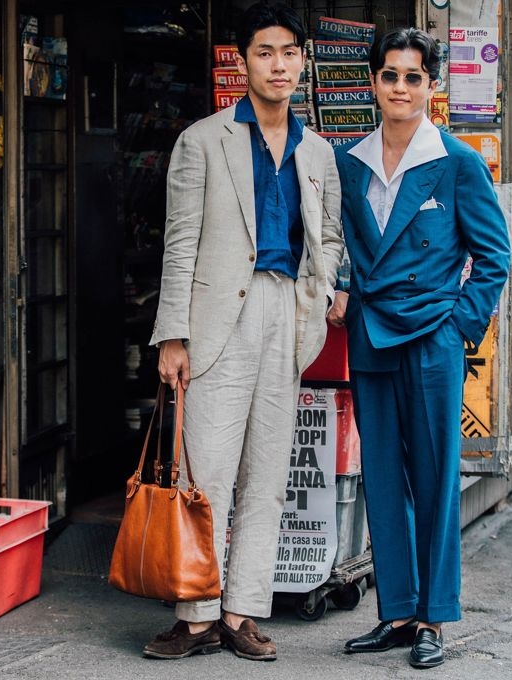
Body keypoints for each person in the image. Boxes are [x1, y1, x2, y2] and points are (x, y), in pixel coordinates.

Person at [145, 1, 343, 662]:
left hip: (286, 315)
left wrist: (324, 291)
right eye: (265, 52)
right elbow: (179, 244)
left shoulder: (319, 151)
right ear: (243, 60)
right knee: (205, 474)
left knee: (267, 477)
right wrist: (173, 334)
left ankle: (242, 612)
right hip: (215, 321)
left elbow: (331, 234)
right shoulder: (203, 141)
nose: (279, 64)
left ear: (303, 60)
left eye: (290, 52)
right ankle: (196, 615)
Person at [327, 27, 511, 669]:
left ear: (431, 85)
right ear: (373, 82)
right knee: (382, 479)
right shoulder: (348, 160)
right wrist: (340, 290)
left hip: (433, 336)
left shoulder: (458, 160)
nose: (400, 87)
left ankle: (435, 617)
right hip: (373, 334)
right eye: (390, 75)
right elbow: (338, 245)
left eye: (413, 76)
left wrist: (460, 325)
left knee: (434, 478)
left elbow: (494, 256)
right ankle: (397, 613)